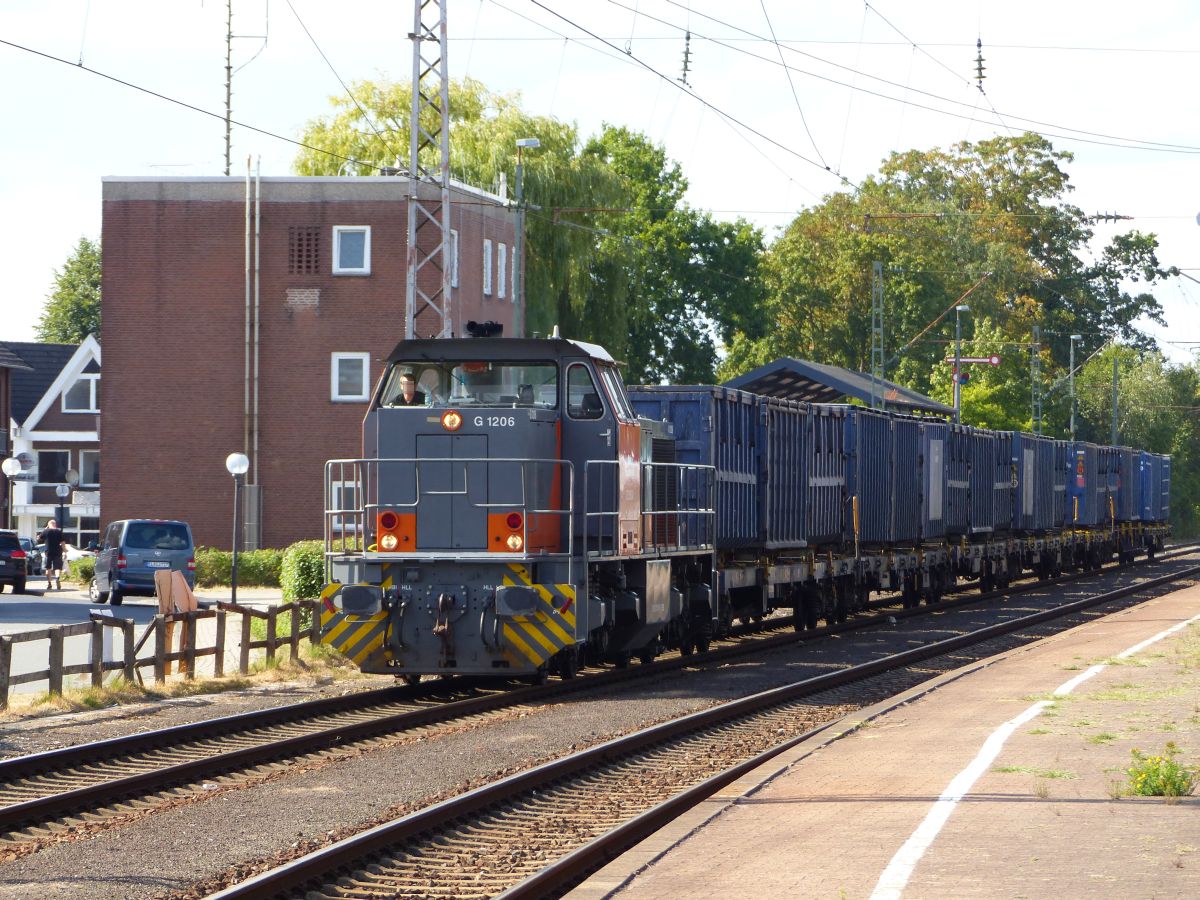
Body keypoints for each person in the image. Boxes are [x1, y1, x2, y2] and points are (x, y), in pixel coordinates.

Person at [38, 519, 65, 590]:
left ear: (48, 525)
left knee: (48, 568)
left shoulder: (46, 531)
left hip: (48, 552)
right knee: (57, 567)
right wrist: (65, 551)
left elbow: (39, 539)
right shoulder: (59, 532)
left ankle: (49, 584)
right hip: (58, 552)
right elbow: (62, 543)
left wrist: (45, 529)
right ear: (55, 524)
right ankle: (57, 578)